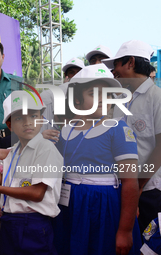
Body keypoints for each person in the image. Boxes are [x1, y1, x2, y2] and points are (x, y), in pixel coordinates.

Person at [53, 64, 141, 255]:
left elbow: (130, 182)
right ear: (77, 98)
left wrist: (125, 230)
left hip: (103, 207)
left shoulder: (118, 129)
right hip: (70, 206)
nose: (102, 99)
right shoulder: (64, 131)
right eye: (93, 93)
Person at [0, 90, 63, 255]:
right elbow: (5, 182)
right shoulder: (15, 151)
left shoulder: (46, 149)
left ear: (42, 119)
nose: (28, 122)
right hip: (10, 222)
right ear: (10, 125)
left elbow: (36, 193)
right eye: (19, 118)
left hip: (33, 224)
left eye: (33, 116)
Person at [102, 40, 161, 235]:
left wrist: (140, 186)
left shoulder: (157, 98)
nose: (113, 72)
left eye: (116, 65)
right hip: (121, 187)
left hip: (148, 191)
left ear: (130, 62)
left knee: (146, 244)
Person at [40, 57, 84, 142]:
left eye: (79, 72)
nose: (75, 75)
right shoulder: (49, 95)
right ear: (66, 75)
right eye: (72, 73)